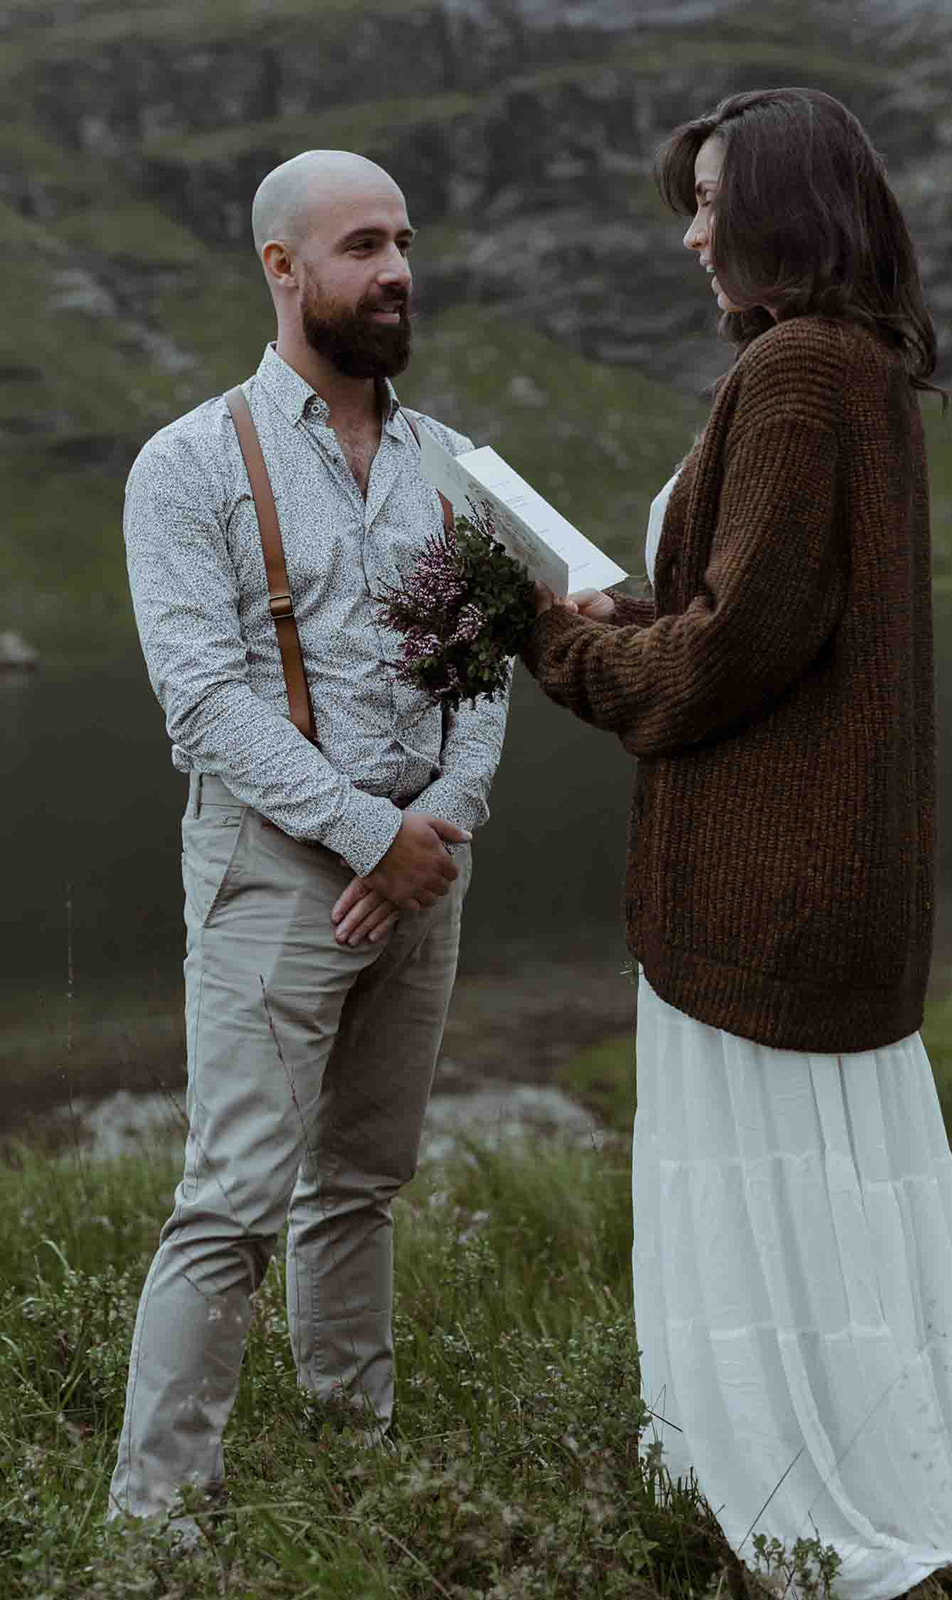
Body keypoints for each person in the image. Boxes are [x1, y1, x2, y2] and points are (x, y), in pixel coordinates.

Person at [522, 89, 952, 1600]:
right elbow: (757, 627)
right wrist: (625, 621)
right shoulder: (848, 369)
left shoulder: (802, 376)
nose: (690, 230)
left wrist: (549, 641)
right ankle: (818, 1448)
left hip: (768, 885)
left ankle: (799, 1480)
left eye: (710, 197)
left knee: (769, 1186)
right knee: (822, 1198)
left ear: (787, 206)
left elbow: (723, 664)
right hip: (813, 875)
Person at [109, 149, 507, 1522]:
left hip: (424, 870)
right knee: (228, 1201)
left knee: (361, 1186)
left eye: (401, 240)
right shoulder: (187, 462)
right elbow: (205, 700)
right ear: (283, 269)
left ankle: (359, 1473)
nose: (394, 270)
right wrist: (364, 838)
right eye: (359, 246)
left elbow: (489, 666)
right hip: (278, 871)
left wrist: (439, 827)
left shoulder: (449, 460)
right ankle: (154, 1525)